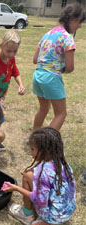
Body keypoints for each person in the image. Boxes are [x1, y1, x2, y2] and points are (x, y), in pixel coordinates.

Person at [5, 127, 76, 225]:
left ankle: (28, 215)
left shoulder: (44, 174)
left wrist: (16, 188)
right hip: (68, 209)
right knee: (28, 175)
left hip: (56, 215)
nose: (31, 152)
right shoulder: (61, 162)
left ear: (44, 150)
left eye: (33, 149)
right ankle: (53, 218)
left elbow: (39, 199)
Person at [32, 3, 86, 132]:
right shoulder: (67, 38)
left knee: (43, 109)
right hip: (51, 78)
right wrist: (61, 69)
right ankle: (46, 144)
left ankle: (34, 137)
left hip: (38, 76)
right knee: (61, 114)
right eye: (79, 22)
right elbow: (70, 67)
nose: (80, 26)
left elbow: (35, 60)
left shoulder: (47, 34)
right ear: (73, 20)